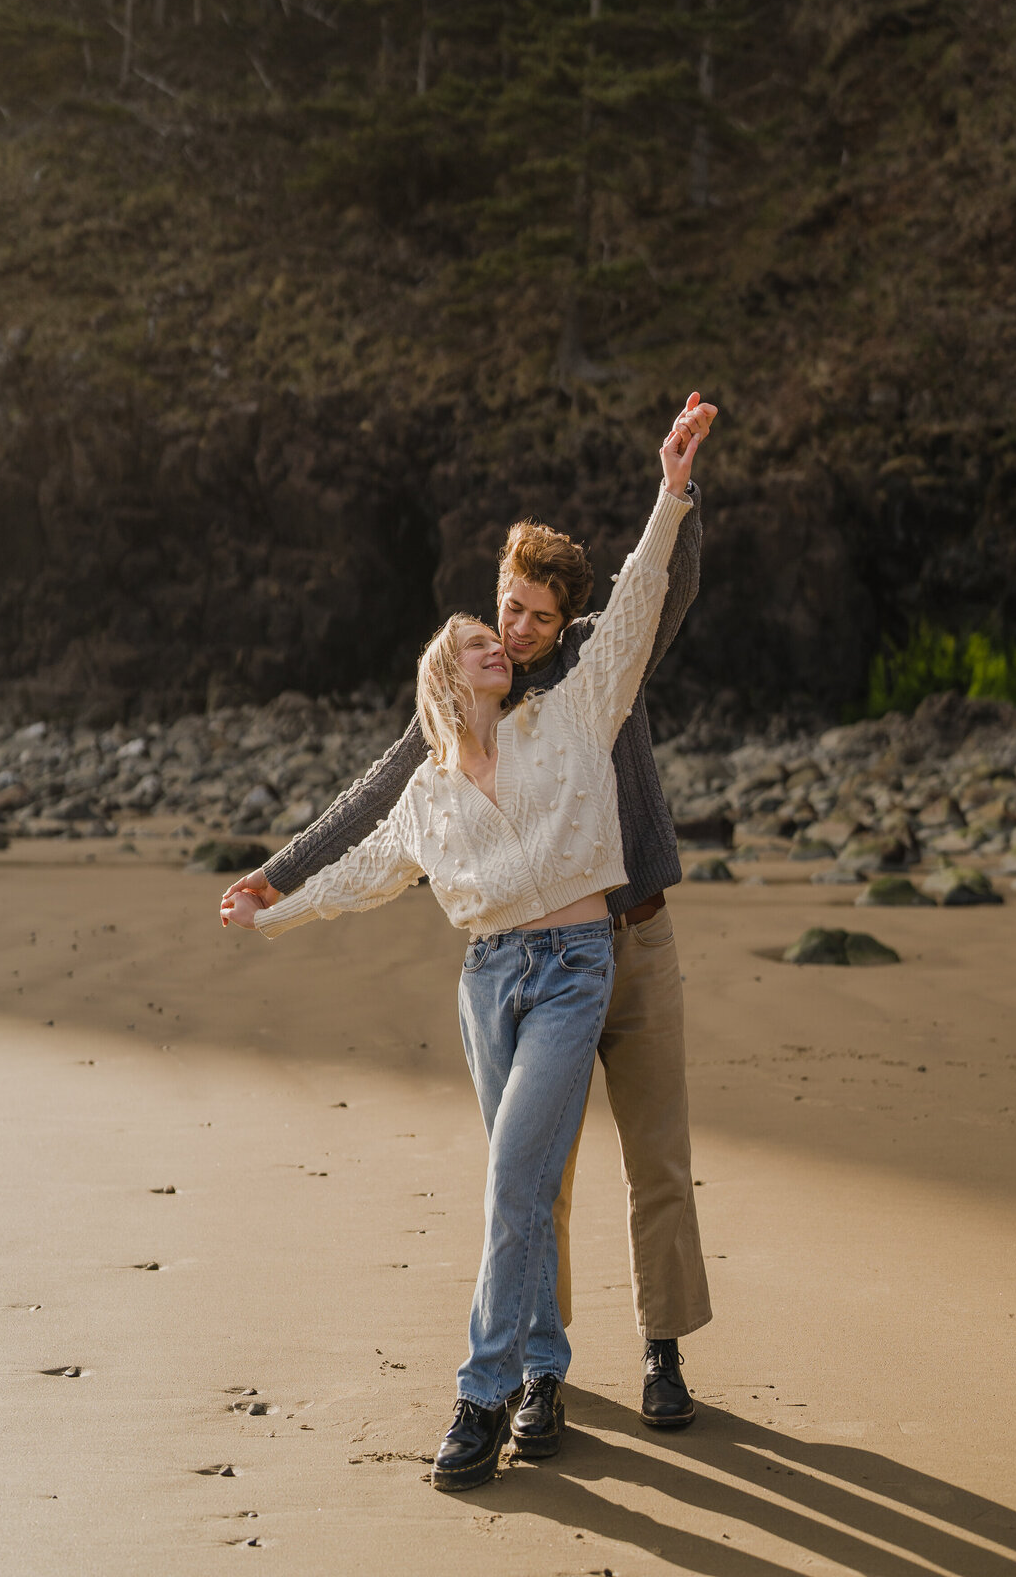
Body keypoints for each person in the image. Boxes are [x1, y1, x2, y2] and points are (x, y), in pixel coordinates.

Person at [220, 416, 704, 1493]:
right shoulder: (448, 740)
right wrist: (278, 886)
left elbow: (650, 597)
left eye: (529, 616)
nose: (510, 630)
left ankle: (597, 1365)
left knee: (616, 1167)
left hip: (617, 944)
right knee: (533, 1181)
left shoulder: (584, 684)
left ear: (560, 617)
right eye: (500, 614)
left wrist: (676, 493)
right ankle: (542, 1374)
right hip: (500, 974)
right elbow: (376, 831)